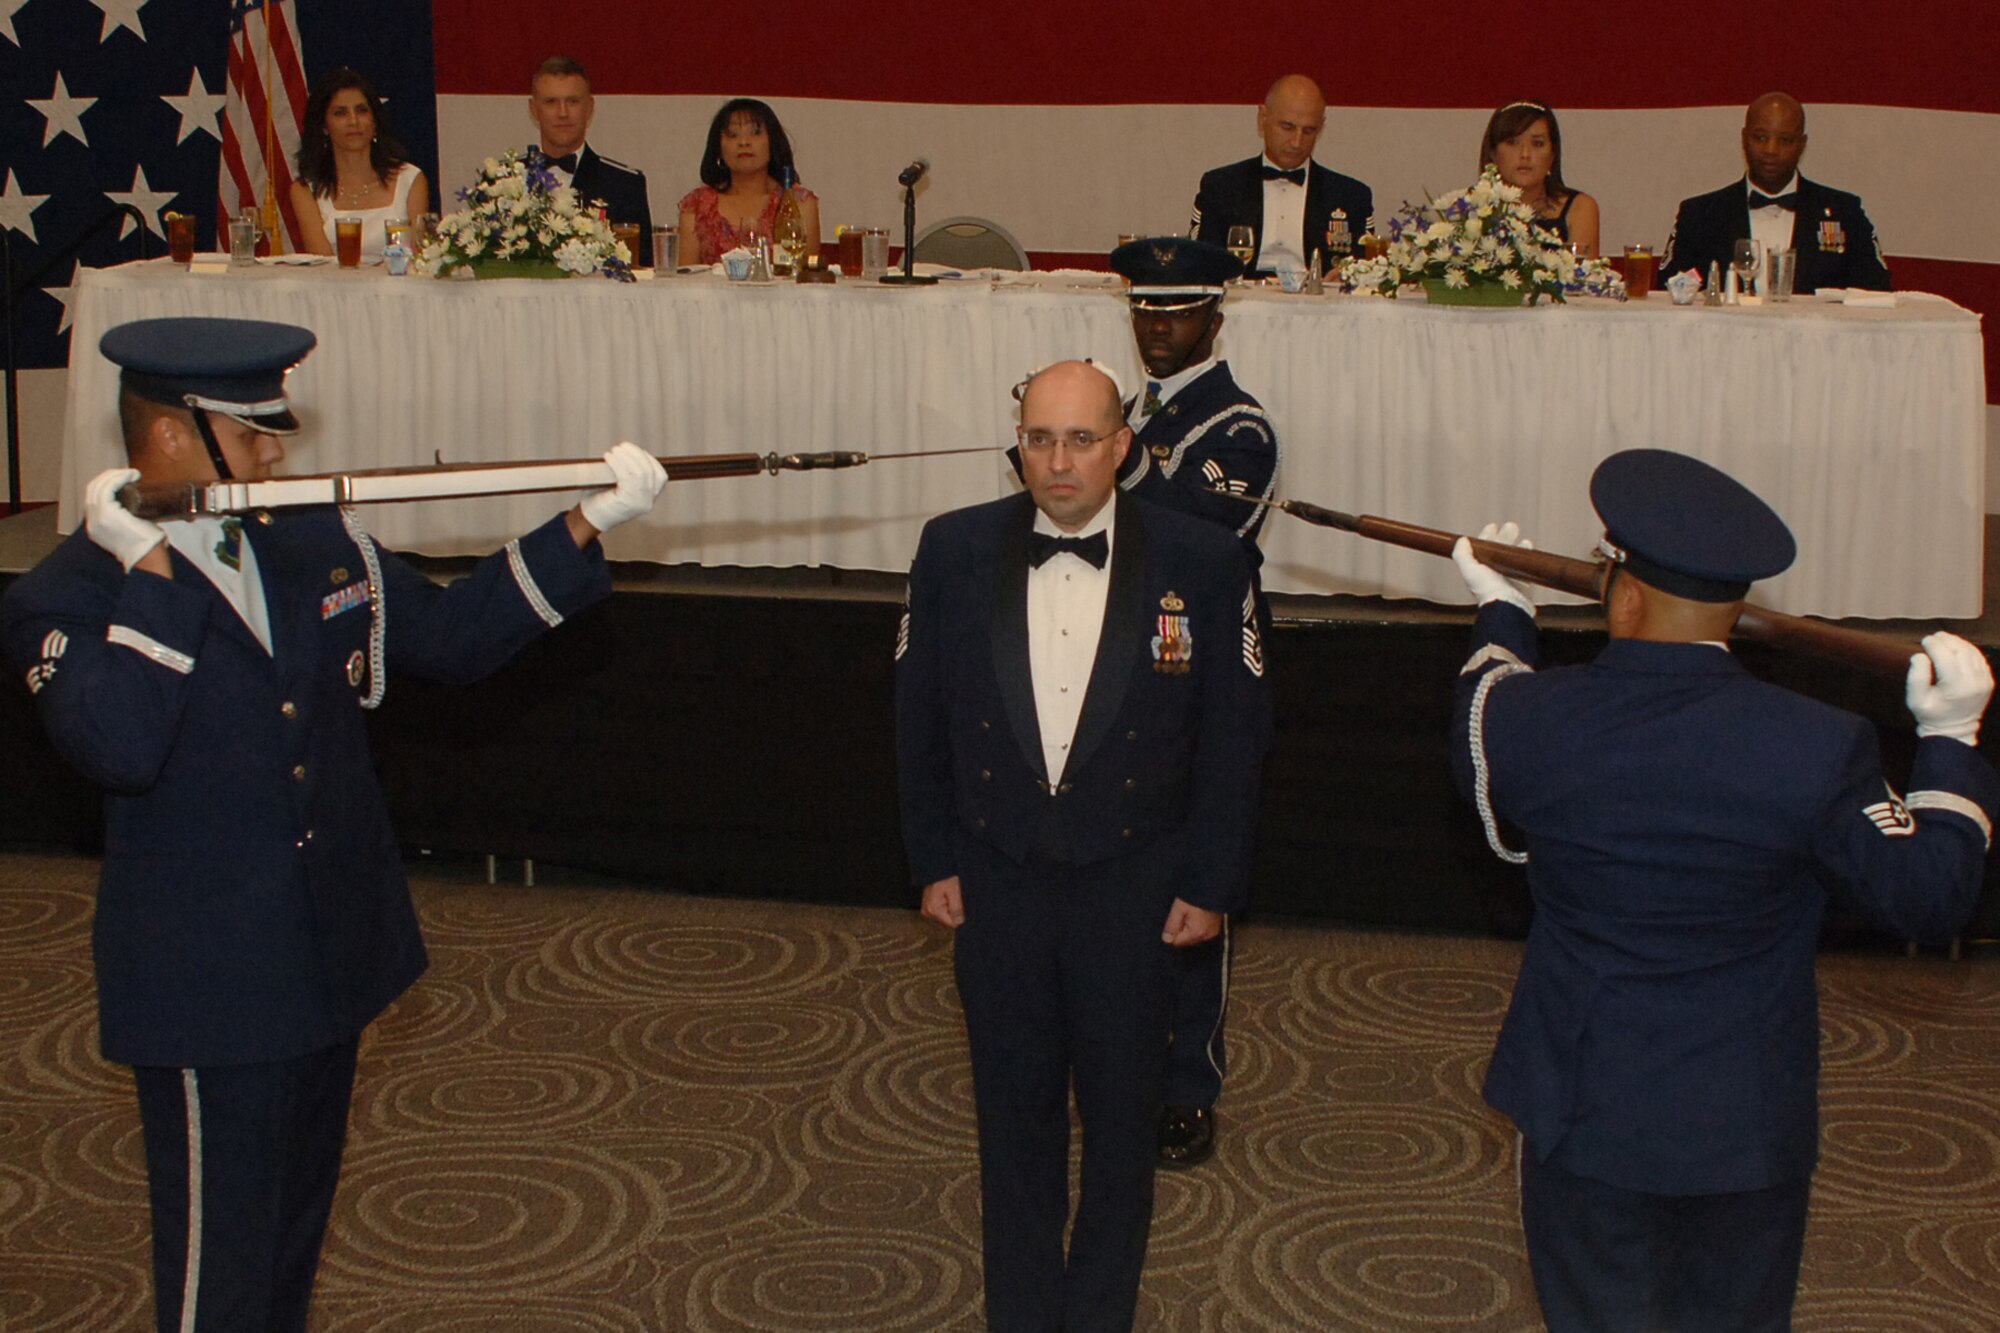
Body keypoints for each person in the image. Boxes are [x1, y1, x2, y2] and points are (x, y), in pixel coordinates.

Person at [0, 317, 666, 1332]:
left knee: (288, 1248)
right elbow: (121, 746)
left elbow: (445, 635)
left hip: (323, 953)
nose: (276, 450)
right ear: (172, 435)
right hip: (208, 986)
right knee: (217, 1274)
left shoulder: (310, 537)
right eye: (254, 429)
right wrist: (151, 570)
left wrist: (583, 523)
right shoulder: (67, 592)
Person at [1449, 448, 1997, 1333]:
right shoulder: (1818, 745)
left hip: (1583, 1105)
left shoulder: (1535, 720)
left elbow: (1482, 699)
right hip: (1745, 1120)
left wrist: (1504, 613)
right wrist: (1948, 743)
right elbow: (1930, 897)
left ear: (1622, 592)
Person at [897, 360, 1272, 1331]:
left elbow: (1236, 733)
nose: (1055, 463)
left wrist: (1212, 880)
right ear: (1014, 445)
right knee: (1010, 1126)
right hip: (997, 878)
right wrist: (932, 856)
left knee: (1120, 1130)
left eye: (1076, 440)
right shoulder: (953, 548)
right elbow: (916, 718)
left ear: (1122, 447)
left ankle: (1097, 1313)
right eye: (1036, 439)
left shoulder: (1204, 560)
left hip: (1136, 885)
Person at [1106, 236, 1278, 1169]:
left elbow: (1185, 540)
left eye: (1174, 312)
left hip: (1203, 678)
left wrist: (1111, 460)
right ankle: (1119, 1062)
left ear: (1215, 315)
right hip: (1119, 672)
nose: (1156, 328)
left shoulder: (1240, 427)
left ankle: (1188, 1084)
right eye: (1143, 310)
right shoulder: (1130, 413)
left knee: (1191, 892)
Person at [1658, 92, 1890, 294]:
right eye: (1760, 137)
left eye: (1785, 140)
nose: (1771, 150)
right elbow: (1668, 292)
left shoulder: (1844, 213)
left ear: (1802, 144)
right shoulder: (1699, 215)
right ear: (1744, 138)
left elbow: (1877, 291)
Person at [1190, 74, 1372, 275]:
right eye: (1287, 127)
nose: (1296, 142)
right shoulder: (1221, 187)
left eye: (1309, 131)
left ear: (1321, 126)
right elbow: (1200, 261)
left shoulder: (1351, 196)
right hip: (1240, 303)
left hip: (1318, 302)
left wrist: (1347, 276)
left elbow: (1366, 268)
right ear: (1262, 118)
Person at [289, 68, 429, 260]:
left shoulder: (411, 180)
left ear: (374, 121)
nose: (353, 121)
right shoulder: (305, 190)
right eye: (340, 113)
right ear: (324, 126)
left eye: (362, 111)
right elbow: (322, 268)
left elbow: (420, 260)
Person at [528, 55, 653, 266]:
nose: (563, 113)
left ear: (590, 107)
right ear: (534, 109)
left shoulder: (625, 185)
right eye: (551, 102)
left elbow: (641, 271)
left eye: (573, 101)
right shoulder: (504, 182)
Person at [676, 98, 821, 267]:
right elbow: (685, 281)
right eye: (732, 134)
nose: (744, 142)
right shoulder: (697, 206)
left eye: (755, 132)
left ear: (773, 142)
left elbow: (808, 281)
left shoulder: (799, 203)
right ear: (719, 149)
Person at [1478, 101, 1599, 257]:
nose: (1525, 154)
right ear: (1493, 154)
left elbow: (1584, 278)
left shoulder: (1579, 208)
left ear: (1553, 155)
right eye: (1512, 142)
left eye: (1537, 143)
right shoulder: (1471, 210)